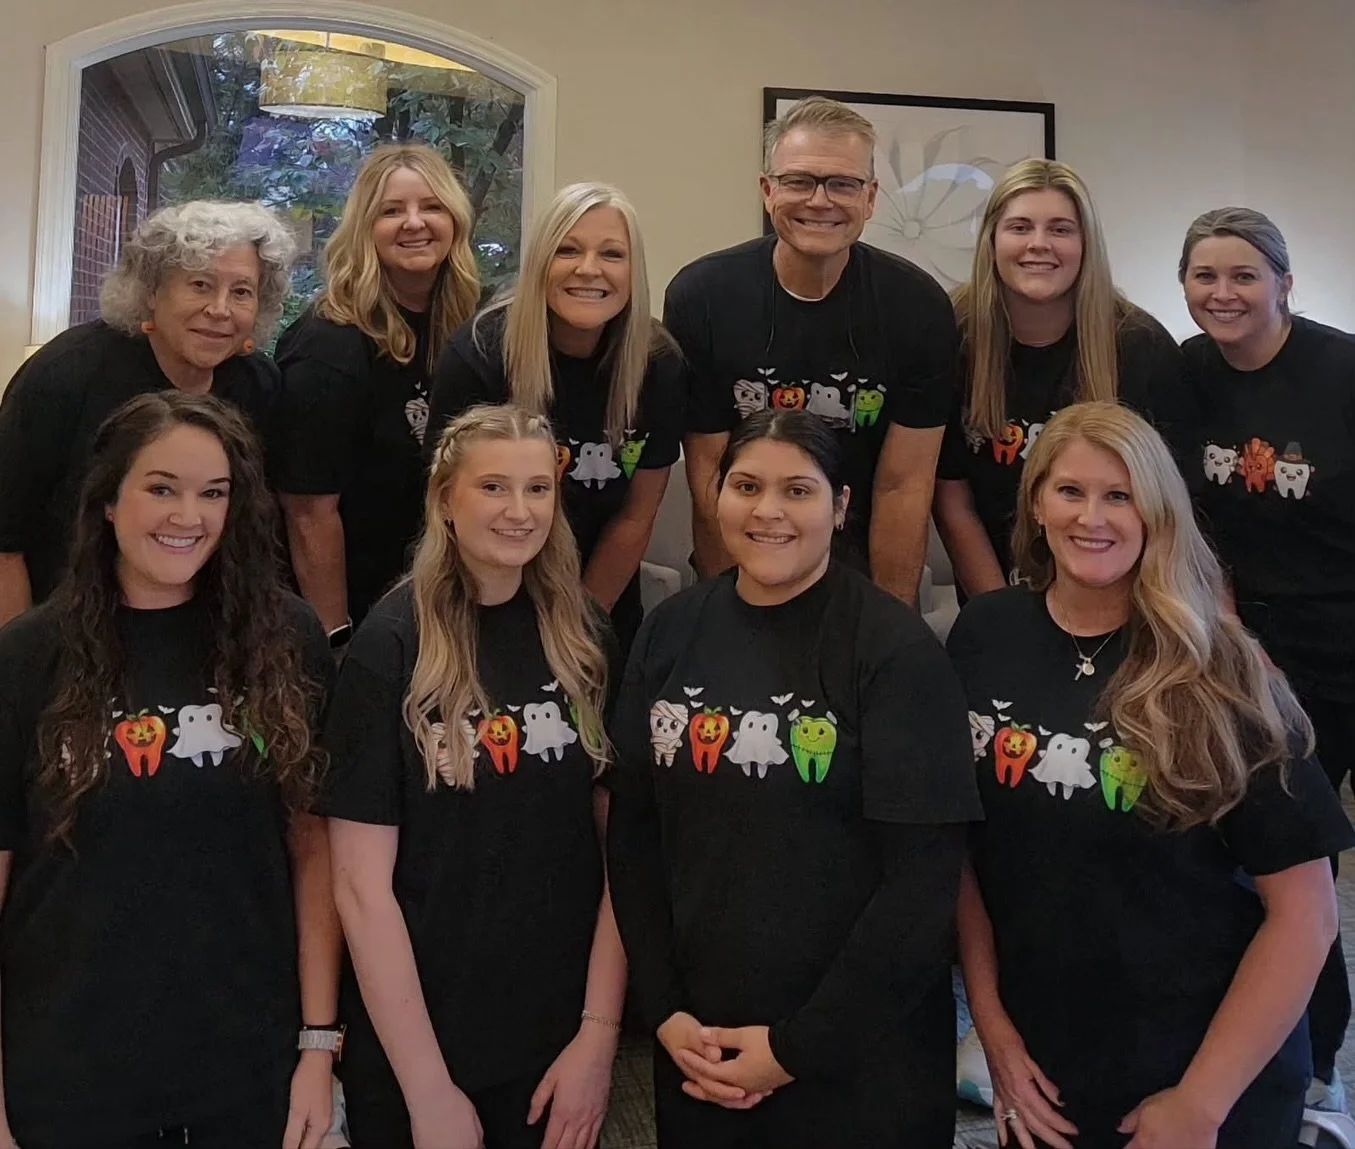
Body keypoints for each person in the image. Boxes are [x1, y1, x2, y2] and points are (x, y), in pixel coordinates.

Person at [949, 401, 1351, 1149]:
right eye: (1068, 491)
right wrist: (994, 1034)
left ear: (1157, 513)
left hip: (1206, 1067)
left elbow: (1306, 915)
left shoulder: (1220, 667)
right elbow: (966, 853)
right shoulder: (984, 633)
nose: (1089, 517)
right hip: (1048, 1060)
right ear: (1035, 501)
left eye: (1119, 495)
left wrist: (1200, 1102)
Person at [607, 409, 980, 1148]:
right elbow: (633, 830)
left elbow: (921, 883)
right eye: (745, 485)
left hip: (860, 1058)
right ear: (715, 497)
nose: (768, 510)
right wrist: (666, 1011)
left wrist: (793, 1051)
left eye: (798, 491)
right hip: (702, 1045)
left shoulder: (892, 649)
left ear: (841, 508)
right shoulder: (671, 629)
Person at [0, 392, 341, 1149]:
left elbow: (312, 852)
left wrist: (320, 1043)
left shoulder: (286, 639)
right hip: (68, 1066)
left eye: (212, 493)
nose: (188, 515)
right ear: (109, 500)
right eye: (162, 487)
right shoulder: (27, 657)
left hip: (244, 1059)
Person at [320, 404, 626, 1149]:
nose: (518, 511)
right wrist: (427, 1091)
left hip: (554, 1030)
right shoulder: (389, 648)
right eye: (492, 487)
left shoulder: (582, 635)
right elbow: (360, 889)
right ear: (444, 499)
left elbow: (624, 854)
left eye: (536, 489)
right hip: (418, 1036)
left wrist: (598, 1035)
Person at [1179, 205, 1355, 1122]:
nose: (1222, 293)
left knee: (1304, 863)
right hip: (1243, 648)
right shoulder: (1187, 372)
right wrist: (1227, 628)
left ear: (1284, 283)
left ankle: (1316, 1062)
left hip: (1343, 643)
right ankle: (1280, 1044)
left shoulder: (1339, 369)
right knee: (1266, 860)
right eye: (1204, 276)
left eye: (1243, 275)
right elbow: (1186, 519)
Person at [668, 95, 956, 604]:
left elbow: (903, 486)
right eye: (799, 180)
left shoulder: (918, 308)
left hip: (859, 566)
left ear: (870, 199)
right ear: (767, 191)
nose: (820, 201)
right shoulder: (703, 297)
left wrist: (890, 626)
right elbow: (710, 477)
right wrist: (730, 617)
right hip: (740, 558)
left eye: (842, 184)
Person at [0, 200, 296, 627]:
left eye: (241, 292)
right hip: (71, 625)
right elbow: (5, 538)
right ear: (152, 291)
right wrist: (20, 664)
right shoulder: (67, 373)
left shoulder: (258, 385)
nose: (219, 309)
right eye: (199, 284)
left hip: (198, 631)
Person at [426, 182, 684, 656]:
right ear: (541, 262)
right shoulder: (479, 355)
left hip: (598, 606)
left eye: (611, 254)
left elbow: (635, 515)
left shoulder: (657, 363)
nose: (589, 269)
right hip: (479, 600)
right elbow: (449, 511)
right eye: (568, 250)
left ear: (634, 272)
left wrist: (578, 628)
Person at [934, 159, 1192, 598]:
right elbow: (952, 498)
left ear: (1086, 244)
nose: (1039, 244)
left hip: (1120, 598)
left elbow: (1168, 508)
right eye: (1020, 227)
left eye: (1060, 229)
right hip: (994, 593)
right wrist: (999, 616)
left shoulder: (1140, 346)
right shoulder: (949, 336)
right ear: (991, 240)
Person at [272, 143, 481, 646]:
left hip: (441, 603)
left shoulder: (474, 330)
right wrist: (336, 641)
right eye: (392, 211)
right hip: (352, 611)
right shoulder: (328, 344)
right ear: (365, 229)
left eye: (431, 206)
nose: (414, 222)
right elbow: (307, 513)